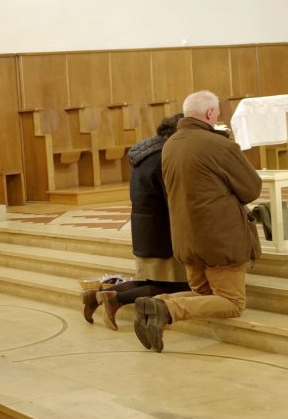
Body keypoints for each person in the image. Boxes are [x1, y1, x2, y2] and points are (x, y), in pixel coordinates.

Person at [134, 91, 262, 352]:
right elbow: (251, 189)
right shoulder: (219, 145)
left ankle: (155, 304)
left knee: (204, 296)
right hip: (219, 239)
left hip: (186, 239)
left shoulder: (170, 145)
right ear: (210, 114)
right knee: (232, 303)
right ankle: (165, 306)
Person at [82, 114, 190, 329]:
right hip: (162, 229)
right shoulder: (163, 157)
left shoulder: (146, 153)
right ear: (172, 135)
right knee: (174, 286)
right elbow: (173, 197)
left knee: (147, 281)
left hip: (145, 227)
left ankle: (96, 296)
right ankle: (115, 300)